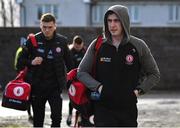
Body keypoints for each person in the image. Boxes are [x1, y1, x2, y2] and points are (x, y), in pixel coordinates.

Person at [77, 5, 160, 127]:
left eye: (116, 20)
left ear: (124, 22)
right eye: (109, 21)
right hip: (103, 108)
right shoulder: (98, 44)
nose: (112, 25)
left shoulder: (138, 45)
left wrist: (138, 91)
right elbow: (81, 72)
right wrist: (99, 88)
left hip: (128, 109)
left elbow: (154, 74)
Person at [17, 13, 73, 127]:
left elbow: (70, 64)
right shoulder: (32, 41)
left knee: (57, 119)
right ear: (40, 26)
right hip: (37, 87)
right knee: (38, 121)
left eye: (50, 27)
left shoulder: (62, 41)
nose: (47, 30)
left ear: (55, 26)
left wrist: (72, 81)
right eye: (44, 27)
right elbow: (20, 62)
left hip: (55, 87)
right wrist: (31, 62)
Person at [66, 35, 92, 127]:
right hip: (72, 79)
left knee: (83, 99)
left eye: (79, 46)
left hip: (83, 79)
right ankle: (70, 115)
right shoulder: (69, 52)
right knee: (72, 98)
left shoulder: (85, 52)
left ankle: (82, 117)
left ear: (82, 45)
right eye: (76, 46)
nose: (78, 48)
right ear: (73, 44)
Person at [14, 37, 34, 124]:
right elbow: (18, 63)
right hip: (26, 77)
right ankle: (30, 114)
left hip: (25, 75)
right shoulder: (23, 50)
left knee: (30, 97)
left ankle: (30, 114)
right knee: (29, 97)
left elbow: (17, 64)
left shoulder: (22, 49)